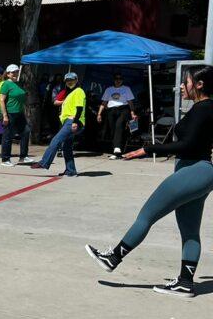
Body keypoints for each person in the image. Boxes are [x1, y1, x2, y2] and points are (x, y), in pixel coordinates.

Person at [86, 67, 213, 298]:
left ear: (200, 84)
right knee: (190, 231)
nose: (181, 87)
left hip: (194, 170)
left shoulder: (204, 109)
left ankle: (113, 257)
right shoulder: (203, 108)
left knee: (147, 215)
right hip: (201, 172)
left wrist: (147, 148)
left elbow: (187, 146)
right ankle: (185, 283)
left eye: (186, 82)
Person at [32, 72, 86, 176]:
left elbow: (79, 108)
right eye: (68, 80)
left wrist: (75, 122)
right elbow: (57, 102)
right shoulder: (69, 93)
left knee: (56, 140)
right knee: (66, 147)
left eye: (72, 80)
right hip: (69, 121)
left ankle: (44, 162)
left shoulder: (78, 91)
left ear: (76, 80)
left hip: (73, 121)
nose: (70, 82)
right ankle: (71, 171)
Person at [0, 64, 33, 166]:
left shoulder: (17, 84)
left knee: (26, 132)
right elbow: (1, 100)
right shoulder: (6, 84)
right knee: (8, 136)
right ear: (8, 74)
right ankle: (5, 159)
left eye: (17, 72)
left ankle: (23, 157)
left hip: (19, 113)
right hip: (9, 113)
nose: (15, 74)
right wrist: (5, 115)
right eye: (13, 72)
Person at [97, 73, 137, 159]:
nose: (118, 80)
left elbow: (130, 102)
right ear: (114, 80)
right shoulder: (109, 89)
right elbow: (104, 103)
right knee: (113, 130)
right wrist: (99, 114)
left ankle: (117, 148)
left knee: (119, 125)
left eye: (120, 79)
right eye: (116, 79)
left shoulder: (126, 89)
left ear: (122, 80)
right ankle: (116, 151)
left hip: (123, 109)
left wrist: (132, 112)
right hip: (111, 110)